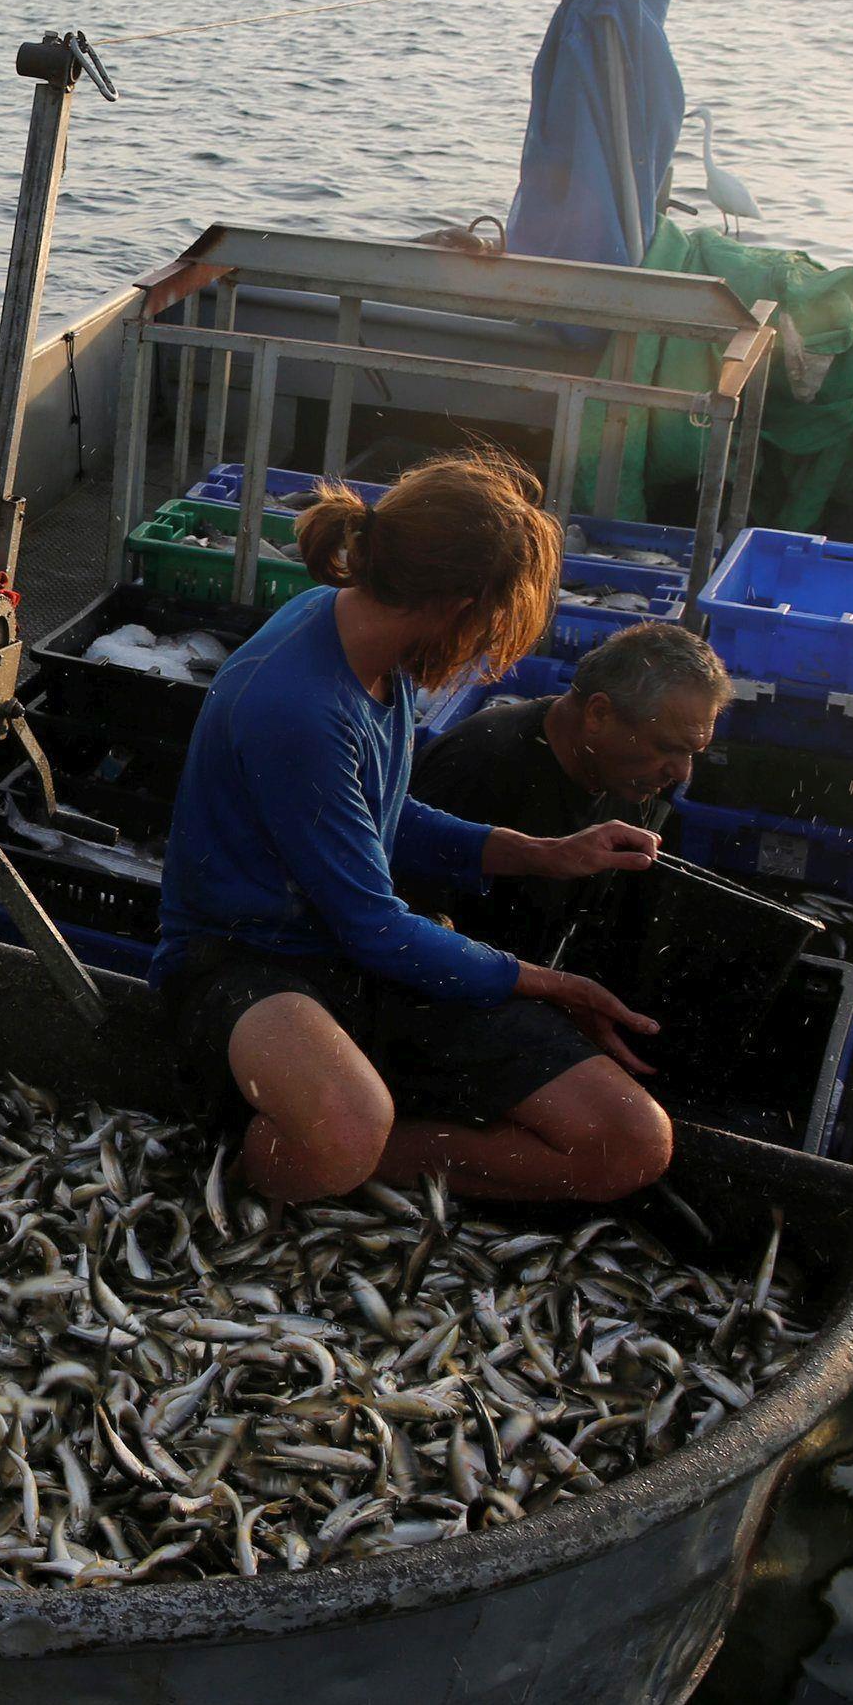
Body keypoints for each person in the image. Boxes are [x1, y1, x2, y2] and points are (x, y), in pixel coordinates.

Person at [154, 452, 676, 1206]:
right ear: (461, 603)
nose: (485, 646)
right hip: (243, 964)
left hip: (357, 962)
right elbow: (377, 928)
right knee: (345, 1126)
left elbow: (381, 817)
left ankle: (360, 1152)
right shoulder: (299, 704)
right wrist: (551, 982)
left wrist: (542, 854)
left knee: (629, 1139)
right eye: (494, 623)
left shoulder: (374, 645)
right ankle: (291, 1156)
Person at [406, 620, 732, 961]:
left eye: (692, 752)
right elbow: (407, 932)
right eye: (667, 747)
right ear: (598, 713)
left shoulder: (631, 777)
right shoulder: (478, 767)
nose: (681, 773)